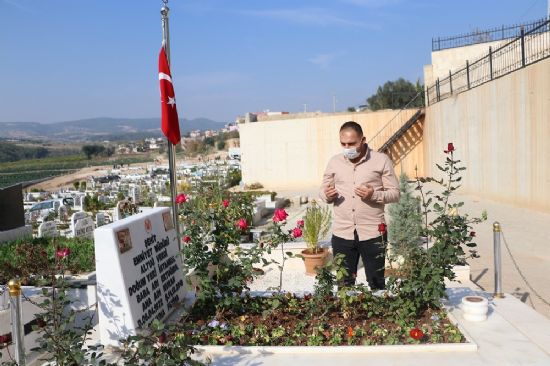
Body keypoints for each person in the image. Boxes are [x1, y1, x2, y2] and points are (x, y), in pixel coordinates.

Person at [320, 121, 400, 290]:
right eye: (343, 144)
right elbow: (323, 190)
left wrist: (374, 195)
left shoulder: (381, 160)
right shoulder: (334, 162)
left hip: (373, 232)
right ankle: (347, 316)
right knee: (344, 284)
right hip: (342, 233)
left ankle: (379, 315)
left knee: (377, 282)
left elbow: (395, 193)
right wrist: (326, 195)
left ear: (363, 140)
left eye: (352, 143)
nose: (347, 147)